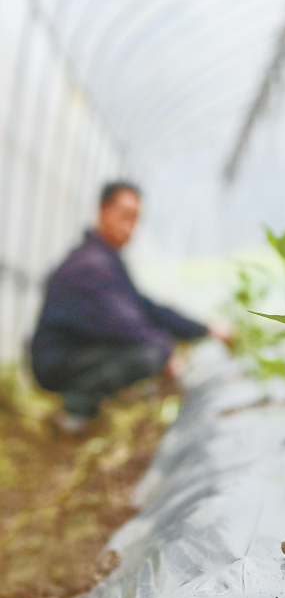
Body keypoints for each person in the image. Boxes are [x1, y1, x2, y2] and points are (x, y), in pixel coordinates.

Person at [30, 181, 229, 433]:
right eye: (124, 216)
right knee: (149, 353)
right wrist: (167, 352)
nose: (130, 227)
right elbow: (123, 322)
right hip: (55, 361)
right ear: (102, 211)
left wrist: (206, 330)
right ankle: (74, 413)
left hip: (76, 354)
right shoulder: (90, 266)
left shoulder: (107, 260)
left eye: (135, 219)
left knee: (152, 347)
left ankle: (80, 407)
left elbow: (147, 308)